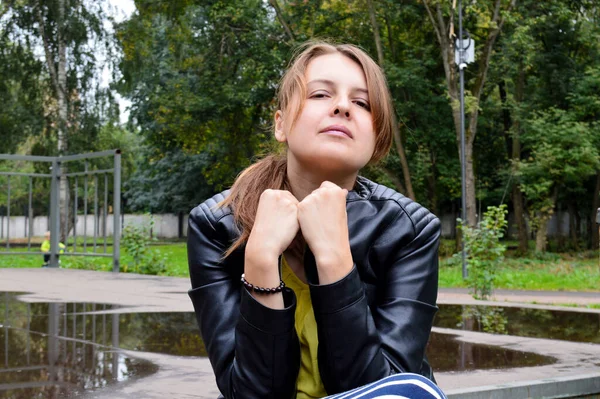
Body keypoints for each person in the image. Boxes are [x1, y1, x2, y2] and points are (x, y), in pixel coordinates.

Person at [187, 40, 446, 399]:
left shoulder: (409, 231)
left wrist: (334, 257)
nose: (342, 106)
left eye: (362, 102)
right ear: (281, 124)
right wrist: (261, 260)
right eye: (321, 94)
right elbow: (249, 393)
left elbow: (386, 391)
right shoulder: (215, 226)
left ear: (377, 139)